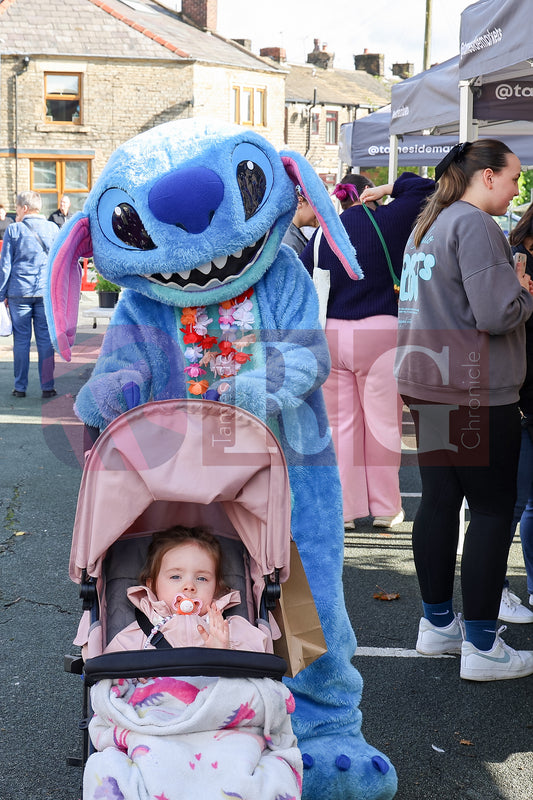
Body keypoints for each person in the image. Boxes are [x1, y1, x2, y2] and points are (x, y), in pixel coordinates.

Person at [395, 139, 533, 681]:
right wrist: (523, 290)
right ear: (488, 176)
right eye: (515, 177)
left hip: (428, 382)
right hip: (474, 389)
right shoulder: (475, 224)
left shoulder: (429, 221)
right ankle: (481, 645)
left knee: (439, 501)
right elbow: (498, 313)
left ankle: (438, 625)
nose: (518, 188)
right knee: (491, 512)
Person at [300, 171, 435, 529]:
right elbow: (426, 187)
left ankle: (345, 509)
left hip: (331, 333)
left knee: (341, 426)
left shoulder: (323, 234)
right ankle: (386, 507)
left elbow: (301, 276)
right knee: (382, 423)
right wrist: (390, 188)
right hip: (380, 333)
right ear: (369, 194)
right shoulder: (390, 220)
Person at [105, 525, 271, 653]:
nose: (189, 586)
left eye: (201, 578)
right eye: (175, 577)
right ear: (152, 584)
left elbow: (261, 668)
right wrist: (136, 672)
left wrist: (225, 650)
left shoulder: (231, 628)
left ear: (216, 588)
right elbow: (110, 672)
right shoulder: (138, 633)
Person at [499, 202, 533, 622]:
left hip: (515, 392)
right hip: (515, 395)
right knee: (508, 502)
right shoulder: (514, 259)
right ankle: (495, 591)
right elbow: (502, 318)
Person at [0, 191, 59, 398]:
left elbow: (5, 265)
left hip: (18, 293)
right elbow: (57, 261)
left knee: (21, 341)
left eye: (17, 207)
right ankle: (47, 387)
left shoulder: (14, 229)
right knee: (45, 340)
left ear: (24, 208)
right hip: (44, 292)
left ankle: (20, 388)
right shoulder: (53, 228)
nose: (16, 211)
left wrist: (1, 294)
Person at [281, 184, 318, 254]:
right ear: (300, 202)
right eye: (316, 206)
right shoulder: (288, 240)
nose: (319, 213)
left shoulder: (290, 233)